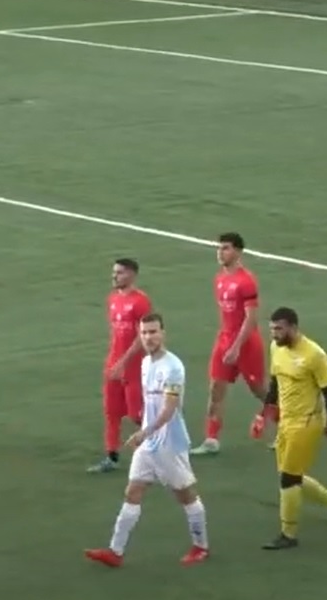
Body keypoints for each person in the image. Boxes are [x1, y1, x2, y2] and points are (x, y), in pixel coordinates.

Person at [86, 314, 210, 566]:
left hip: (169, 443)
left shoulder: (173, 367)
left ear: (163, 333)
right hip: (149, 443)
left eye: (153, 332)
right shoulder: (144, 363)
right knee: (133, 491)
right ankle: (115, 552)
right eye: (144, 333)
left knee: (185, 495)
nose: (148, 337)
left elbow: (170, 408)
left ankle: (201, 546)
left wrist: (145, 432)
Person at [257, 307, 327, 549]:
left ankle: (288, 534)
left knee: (288, 478)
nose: (274, 334)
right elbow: (275, 383)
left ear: (293, 327)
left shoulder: (314, 355)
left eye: (279, 329)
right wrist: (263, 414)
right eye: (272, 329)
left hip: (307, 422)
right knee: (290, 475)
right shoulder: (276, 348)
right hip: (286, 422)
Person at [192, 232, 268, 456]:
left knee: (259, 390)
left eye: (225, 248)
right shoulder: (219, 279)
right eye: (219, 248)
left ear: (238, 251)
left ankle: (288, 425)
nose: (220, 252)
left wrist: (236, 347)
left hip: (246, 344)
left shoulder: (246, 281)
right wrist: (227, 344)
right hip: (224, 340)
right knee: (216, 389)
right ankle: (211, 439)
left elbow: (251, 318)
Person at [91, 258, 152, 473]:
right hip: (113, 364)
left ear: (132, 275)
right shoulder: (113, 299)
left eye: (119, 272)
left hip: (133, 366)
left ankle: (161, 444)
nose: (114, 276)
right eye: (114, 272)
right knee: (112, 412)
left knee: (136, 414)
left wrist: (123, 362)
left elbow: (143, 336)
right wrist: (113, 362)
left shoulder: (140, 302)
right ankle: (112, 456)